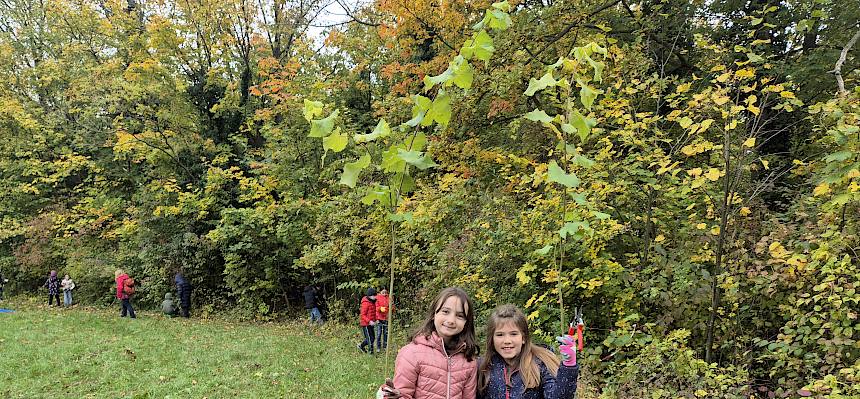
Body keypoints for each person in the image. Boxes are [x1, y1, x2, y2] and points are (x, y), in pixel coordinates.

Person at [383, 287, 480, 399]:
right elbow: (402, 394)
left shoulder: (468, 360)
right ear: (434, 313)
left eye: (460, 315)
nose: (451, 320)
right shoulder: (411, 353)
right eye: (445, 311)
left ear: (466, 322)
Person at [476, 304, 579, 399]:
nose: (507, 341)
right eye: (500, 335)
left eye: (513, 334)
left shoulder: (540, 363)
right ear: (492, 339)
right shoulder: (483, 366)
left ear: (523, 338)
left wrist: (568, 366)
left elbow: (558, 396)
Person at [358, 288, 377, 354]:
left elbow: (373, 313)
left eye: (375, 295)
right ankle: (370, 353)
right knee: (370, 339)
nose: (375, 296)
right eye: (374, 295)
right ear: (369, 296)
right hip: (365, 324)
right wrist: (369, 321)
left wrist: (375, 320)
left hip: (371, 324)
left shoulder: (373, 302)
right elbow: (362, 315)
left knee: (372, 338)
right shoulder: (365, 303)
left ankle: (361, 346)